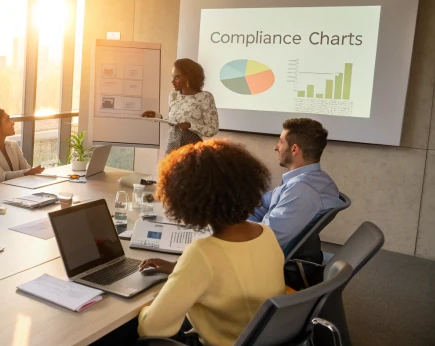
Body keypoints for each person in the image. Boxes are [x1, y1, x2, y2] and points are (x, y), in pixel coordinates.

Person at [110, 140, 285, 345]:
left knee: (119, 331)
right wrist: (178, 269)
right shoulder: (265, 232)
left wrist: (146, 307)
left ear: (188, 199)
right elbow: (236, 274)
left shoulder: (203, 253)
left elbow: (152, 328)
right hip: (260, 338)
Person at [249, 118, 343, 286]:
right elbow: (263, 203)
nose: (275, 147)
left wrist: (229, 230)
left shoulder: (302, 191)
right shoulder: (311, 179)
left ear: (294, 149)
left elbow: (267, 242)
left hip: (268, 265)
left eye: (280, 141)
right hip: (267, 242)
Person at [142, 58, 218, 153]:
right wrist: (157, 116)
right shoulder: (173, 95)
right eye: (173, 77)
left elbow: (212, 129)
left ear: (188, 77)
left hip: (192, 148)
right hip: (172, 147)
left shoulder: (205, 97)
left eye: (177, 77)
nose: (172, 81)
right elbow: (172, 121)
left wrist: (190, 126)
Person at [0, 108, 43, 183]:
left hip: (15, 187)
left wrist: (32, 171)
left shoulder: (13, 145)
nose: (12, 123)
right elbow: (2, 177)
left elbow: (26, 168)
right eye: (7, 120)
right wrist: (27, 172)